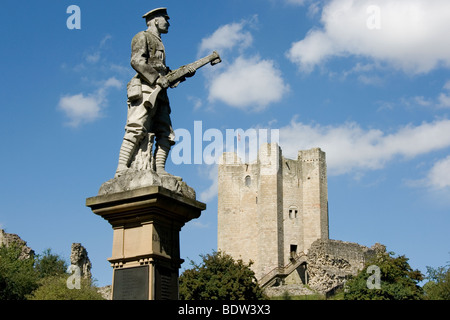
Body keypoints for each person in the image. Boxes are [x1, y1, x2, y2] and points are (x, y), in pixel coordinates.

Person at [115, 8, 193, 178]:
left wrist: (181, 74)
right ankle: (121, 167)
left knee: (166, 133)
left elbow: (161, 69)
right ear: (156, 20)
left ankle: (159, 169)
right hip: (145, 88)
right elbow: (136, 61)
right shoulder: (142, 36)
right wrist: (157, 78)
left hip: (161, 92)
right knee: (136, 127)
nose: (169, 23)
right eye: (166, 19)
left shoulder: (159, 41)